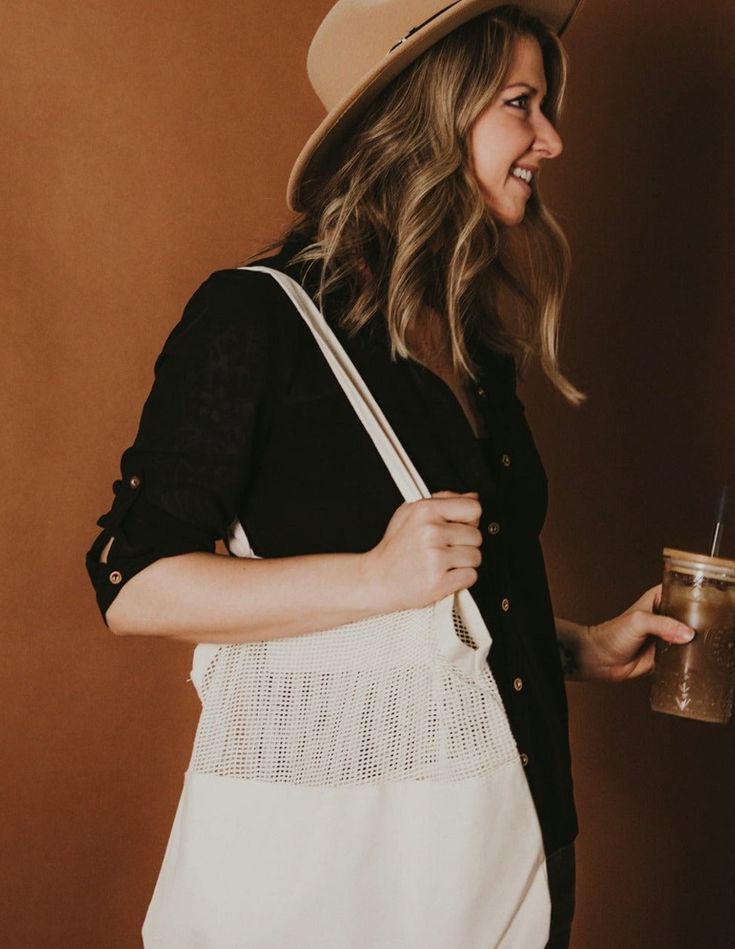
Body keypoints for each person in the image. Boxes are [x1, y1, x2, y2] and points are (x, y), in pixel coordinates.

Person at [85, 2, 696, 946]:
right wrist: (374, 575)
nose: (553, 140)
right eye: (519, 104)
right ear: (430, 114)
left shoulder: (468, 335)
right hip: (369, 879)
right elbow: (131, 581)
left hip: (523, 837)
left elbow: (455, 603)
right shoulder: (260, 320)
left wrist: (581, 645)